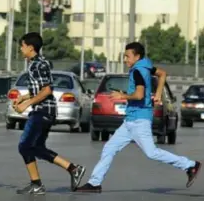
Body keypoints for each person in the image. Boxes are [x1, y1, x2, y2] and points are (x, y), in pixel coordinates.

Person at [77, 42, 201, 193]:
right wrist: (158, 93)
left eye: (127, 56)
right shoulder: (146, 67)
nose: (125, 59)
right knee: (109, 148)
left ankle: (190, 165)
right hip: (130, 120)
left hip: (139, 120)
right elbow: (162, 73)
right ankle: (94, 183)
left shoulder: (137, 71)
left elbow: (139, 94)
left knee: (151, 152)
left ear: (137, 56)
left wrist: (122, 95)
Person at [13, 32, 86, 195]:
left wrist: (26, 105)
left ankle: (36, 184)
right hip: (43, 109)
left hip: (43, 110)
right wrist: (23, 97)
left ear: (30, 48)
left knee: (25, 146)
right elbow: (39, 88)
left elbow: (47, 90)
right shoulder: (34, 64)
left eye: (22, 46)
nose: (20, 49)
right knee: (37, 148)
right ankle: (73, 169)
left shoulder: (39, 64)